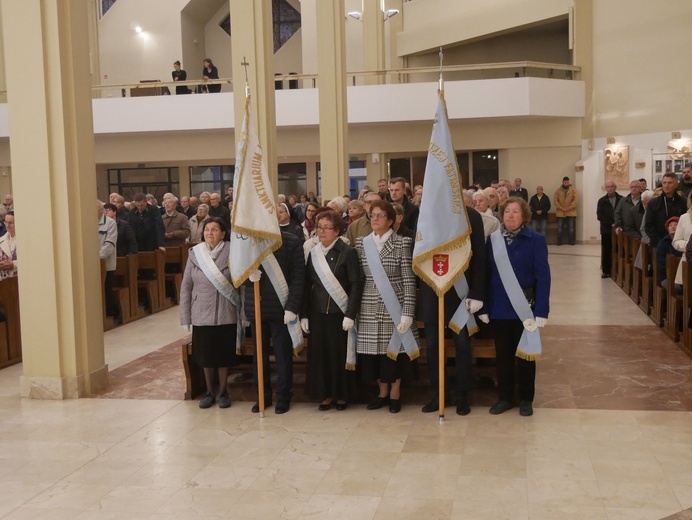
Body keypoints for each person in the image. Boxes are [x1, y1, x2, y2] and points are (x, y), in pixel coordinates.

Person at [479, 197, 551, 417]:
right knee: (503, 355)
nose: (510, 216)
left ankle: (526, 399)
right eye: (507, 212)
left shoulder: (536, 240)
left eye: (515, 212)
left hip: (525, 309)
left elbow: (543, 277)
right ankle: (505, 398)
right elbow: (484, 274)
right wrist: (483, 307)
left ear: (524, 216)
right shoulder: (492, 240)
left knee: (526, 357)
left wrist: (542, 310)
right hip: (500, 307)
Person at [419, 205, 486, 416]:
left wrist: (477, 293)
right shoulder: (428, 212)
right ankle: (439, 394)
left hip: (461, 293)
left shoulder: (470, 215)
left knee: (463, 347)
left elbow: (479, 257)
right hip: (433, 291)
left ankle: (461, 395)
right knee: (432, 348)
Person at [355, 200, 418, 414]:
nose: (375, 219)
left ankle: (395, 393)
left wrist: (408, 312)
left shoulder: (402, 243)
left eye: (380, 215)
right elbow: (360, 279)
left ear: (391, 220)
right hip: (369, 305)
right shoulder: (361, 243)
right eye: (372, 215)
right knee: (375, 354)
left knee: (395, 352)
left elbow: (409, 280)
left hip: (395, 304)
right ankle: (382, 392)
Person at [301, 210, 362, 411]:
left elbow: (355, 284)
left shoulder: (348, 252)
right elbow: (307, 284)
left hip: (340, 314)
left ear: (337, 231)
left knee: (338, 356)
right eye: (319, 227)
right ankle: (325, 394)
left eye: (327, 228)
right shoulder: (314, 253)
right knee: (320, 357)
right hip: (318, 313)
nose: (322, 231)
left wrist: (350, 314)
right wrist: (304, 314)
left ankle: (341, 395)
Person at [180, 217, 240, 409]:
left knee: (223, 355)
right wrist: (185, 315)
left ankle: (223, 391)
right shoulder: (195, 254)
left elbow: (243, 285)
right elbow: (186, 286)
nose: (210, 233)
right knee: (205, 355)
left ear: (223, 233)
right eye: (207, 230)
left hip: (226, 311)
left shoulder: (233, 252)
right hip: (201, 313)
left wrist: (245, 314)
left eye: (215, 230)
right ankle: (208, 392)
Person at [244, 230, 304, 415]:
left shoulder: (291, 240)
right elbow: (237, 270)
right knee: (258, 357)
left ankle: (284, 395)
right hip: (257, 307)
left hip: (281, 309)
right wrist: (248, 277)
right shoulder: (249, 241)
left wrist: (292, 306)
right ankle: (262, 395)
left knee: (282, 356)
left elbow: (298, 277)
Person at [644, 172, 686, 247]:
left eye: (670, 183)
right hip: (658, 243)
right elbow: (649, 226)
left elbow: (685, 224)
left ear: (676, 185)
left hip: (678, 243)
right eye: (664, 183)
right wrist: (661, 242)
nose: (666, 186)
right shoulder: (653, 203)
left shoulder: (683, 202)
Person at [596, 180, 622, 278]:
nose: (610, 188)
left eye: (612, 186)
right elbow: (600, 215)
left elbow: (623, 213)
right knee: (606, 250)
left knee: (619, 249)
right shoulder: (602, 200)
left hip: (619, 229)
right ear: (606, 189)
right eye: (608, 187)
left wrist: (617, 224)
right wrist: (611, 224)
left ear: (615, 187)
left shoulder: (621, 199)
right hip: (606, 229)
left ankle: (618, 269)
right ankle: (606, 270)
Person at [97, 201, 118, 317]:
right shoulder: (86, 222)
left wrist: (97, 257)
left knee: (106, 291)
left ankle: (108, 315)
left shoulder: (110, 223)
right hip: (92, 265)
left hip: (106, 264)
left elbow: (109, 244)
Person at [657, 217, 682, 293]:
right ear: (667, 229)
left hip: (682, 275)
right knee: (676, 288)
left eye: (675, 225)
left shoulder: (683, 242)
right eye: (671, 225)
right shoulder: (663, 243)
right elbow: (660, 263)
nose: (673, 227)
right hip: (666, 276)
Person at [554, 176, 578, 245]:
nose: (566, 183)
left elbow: (575, 200)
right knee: (560, 228)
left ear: (569, 182)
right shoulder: (558, 191)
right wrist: (561, 208)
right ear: (562, 182)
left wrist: (569, 207)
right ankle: (559, 241)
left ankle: (571, 241)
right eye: (565, 182)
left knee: (571, 228)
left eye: (567, 182)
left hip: (571, 212)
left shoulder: (573, 190)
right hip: (561, 212)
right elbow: (555, 201)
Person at [0, 212, 17, 280]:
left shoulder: (24, 240)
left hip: (19, 279)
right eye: (6, 222)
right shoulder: (1, 240)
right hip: (4, 280)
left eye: (10, 223)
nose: (7, 225)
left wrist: (13, 264)